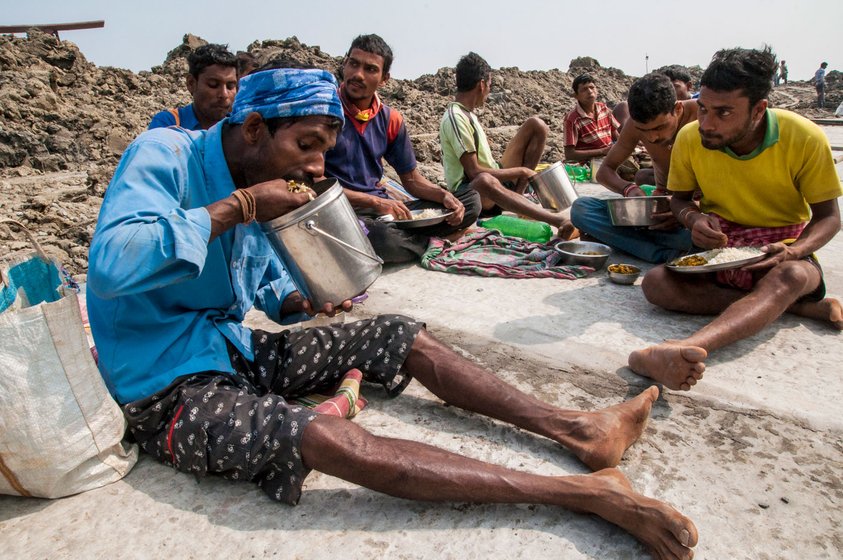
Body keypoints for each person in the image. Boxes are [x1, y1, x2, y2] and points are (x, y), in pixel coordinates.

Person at [86, 66, 698, 560]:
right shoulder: (164, 154)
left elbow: (256, 278)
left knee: (397, 334)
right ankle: (585, 494)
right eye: (305, 146)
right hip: (164, 389)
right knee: (316, 433)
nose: (315, 167)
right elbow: (115, 263)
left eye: (324, 150)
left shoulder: (265, 177)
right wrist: (241, 204)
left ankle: (577, 429)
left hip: (234, 348)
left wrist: (293, 297)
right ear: (252, 130)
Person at [627, 47, 843, 391]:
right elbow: (680, 200)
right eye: (706, 109)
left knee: (788, 277)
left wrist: (794, 251)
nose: (708, 124)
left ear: (759, 109)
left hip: (782, 247)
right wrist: (694, 220)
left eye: (724, 113)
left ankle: (683, 349)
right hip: (721, 250)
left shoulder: (804, 138)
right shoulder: (690, 137)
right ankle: (794, 309)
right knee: (656, 284)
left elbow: (829, 218)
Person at [324, 34, 480, 263]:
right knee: (381, 239)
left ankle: (411, 240)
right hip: (343, 211)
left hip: (384, 211)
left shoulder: (390, 119)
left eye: (370, 69)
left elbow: (412, 180)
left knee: (470, 201)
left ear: (384, 79)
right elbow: (315, 184)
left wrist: (444, 195)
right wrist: (375, 202)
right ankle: (430, 241)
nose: (358, 74)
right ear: (344, 64)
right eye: (353, 64)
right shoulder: (326, 112)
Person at [439, 52, 578, 240]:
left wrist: (519, 172)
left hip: (492, 176)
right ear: (481, 85)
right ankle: (558, 221)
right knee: (484, 180)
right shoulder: (456, 117)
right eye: (489, 85)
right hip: (472, 191)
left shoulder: (469, 114)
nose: (488, 91)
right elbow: (474, 173)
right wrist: (521, 171)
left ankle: (517, 201)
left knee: (537, 126)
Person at [571, 73, 698, 263]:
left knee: (714, 234)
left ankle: (645, 247)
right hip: (658, 215)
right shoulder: (634, 125)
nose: (653, 138)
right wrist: (630, 189)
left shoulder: (703, 118)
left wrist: (688, 212)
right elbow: (605, 172)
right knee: (581, 209)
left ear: (678, 109)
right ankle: (668, 254)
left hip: (695, 215)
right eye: (645, 132)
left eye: (660, 128)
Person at [148, 44, 238, 131]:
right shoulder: (168, 123)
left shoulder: (239, 126)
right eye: (213, 84)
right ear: (191, 83)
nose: (224, 94)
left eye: (230, 86)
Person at [563, 73, 619, 163]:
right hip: (589, 163)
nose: (589, 91)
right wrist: (603, 151)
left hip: (610, 156)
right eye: (584, 89)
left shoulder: (603, 108)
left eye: (592, 87)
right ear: (576, 96)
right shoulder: (572, 119)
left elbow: (615, 136)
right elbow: (569, 154)